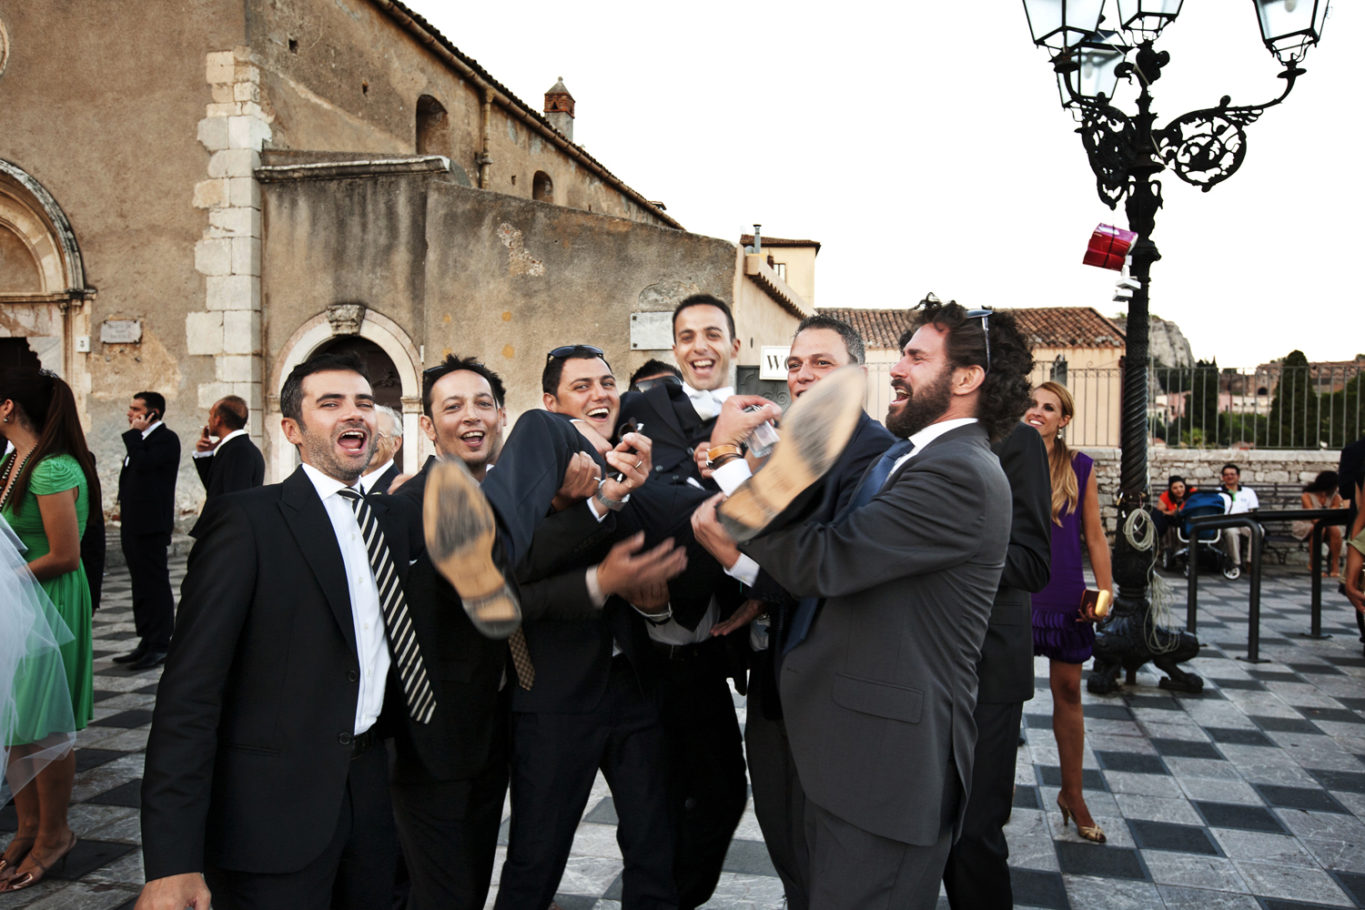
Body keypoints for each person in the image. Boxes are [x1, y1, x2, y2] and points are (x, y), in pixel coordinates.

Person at [694, 297, 1033, 909]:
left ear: (966, 378)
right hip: (848, 756)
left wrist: (726, 467)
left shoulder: (958, 472)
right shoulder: (919, 456)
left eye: (915, 357)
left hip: (885, 770)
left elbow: (823, 560)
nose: (896, 367)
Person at [390, 353, 681, 910]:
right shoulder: (419, 501)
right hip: (501, 712)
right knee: (518, 863)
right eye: (453, 406)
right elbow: (504, 590)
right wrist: (580, 514)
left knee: (654, 847)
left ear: (501, 415)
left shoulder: (604, 465)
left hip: (617, 690)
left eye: (483, 404)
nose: (472, 416)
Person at [137, 354, 421, 910]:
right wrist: (172, 862)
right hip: (270, 820)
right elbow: (189, 694)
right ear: (291, 429)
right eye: (330, 403)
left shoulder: (394, 521)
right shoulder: (246, 521)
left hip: (375, 807)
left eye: (365, 403)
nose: (354, 414)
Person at [693, 314, 894, 910]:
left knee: (824, 855)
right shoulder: (796, 449)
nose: (803, 376)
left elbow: (820, 568)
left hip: (835, 688)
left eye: (822, 364)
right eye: (797, 364)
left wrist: (739, 558)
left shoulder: (875, 456)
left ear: (856, 377)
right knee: (784, 835)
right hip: (777, 678)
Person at [494, 347, 691, 910]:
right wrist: (587, 504)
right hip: (554, 695)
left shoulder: (639, 465)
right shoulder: (534, 473)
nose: (600, 394)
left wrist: (656, 609)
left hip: (635, 689)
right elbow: (510, 575)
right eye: (581, 386)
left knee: (655, 849)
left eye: (607, 382)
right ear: (552, 404)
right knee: (536, 858)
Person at [618, 296, 751, 909]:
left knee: (724, 794)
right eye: (687, 335)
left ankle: (681, 897)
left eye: (713, 334)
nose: (700, 346)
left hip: (710, 649)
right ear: (674, 348)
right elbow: (658, 507)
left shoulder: (766, 423)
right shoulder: (639, 407)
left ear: (735, 346)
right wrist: (720, 457)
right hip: (645, 651)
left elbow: (779, 525)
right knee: (655, 805)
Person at [942, 420, 1052, 909]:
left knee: (973, 836)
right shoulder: (904, 438)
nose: (902, 368)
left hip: (989, 668)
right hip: (918, 665)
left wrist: (936, 545)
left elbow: (1031, 562)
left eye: (919, 355)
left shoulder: (1015, 439)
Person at [0, 368, 98, 892]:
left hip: (49, 603)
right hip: (16, 604)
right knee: (16, 720)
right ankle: (27, 827)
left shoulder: (51, 469)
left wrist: (6, 580)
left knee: (48, 724)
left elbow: (64, 555)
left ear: (7, 407)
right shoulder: (10, 461)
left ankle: (55, 833)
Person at [1024, 380, 1112, 844]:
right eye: (1031, 404)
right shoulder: (1004, 457)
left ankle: (1073, 794)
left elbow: (1094, 535)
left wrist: (1106, 588)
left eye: (1048, 407)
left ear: (1064, 419)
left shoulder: (1079, 466)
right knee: (997, 694)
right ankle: (981, 796)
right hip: (1016, 593)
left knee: (1069, 692)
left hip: (1063, 594)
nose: (1037, 412)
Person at [114, 390, 180, 671]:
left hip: (151, 525)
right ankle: (146, 640)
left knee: (154, 584)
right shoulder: (142, 441)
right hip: (133, 523)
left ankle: (160, 644)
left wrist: (134, 436)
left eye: (135, 409)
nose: (130, 413)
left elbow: (144, 466)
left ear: (152, 413)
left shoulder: (165, 439)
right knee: (140, 584)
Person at [191, 395, 264, 503]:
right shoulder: (234, 448)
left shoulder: (239, 451)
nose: (208, 419)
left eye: (211, 414)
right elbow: (215, 490)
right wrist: (205, 454)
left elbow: (234, 503)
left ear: (218, 420)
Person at [1294, 470, 1345, 578]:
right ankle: (1314, 564)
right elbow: (1312, 517)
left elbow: (1334, 513)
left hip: (1327, 524)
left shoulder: (1335, 497)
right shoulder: (1307, 496)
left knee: (1334, 529)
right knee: (1319, 529)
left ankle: (1334, 565)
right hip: (1306, 524)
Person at [1218, 463, 1260, 573]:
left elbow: (1253, 510)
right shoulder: (1218, 492)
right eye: (1226, 475)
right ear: (1223, 477)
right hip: (1227, 523)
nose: (1229, 477)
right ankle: (1236, 563)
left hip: (1245, 522)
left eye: (1232, 474)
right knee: (1231, 533)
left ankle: (1251, 562)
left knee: (1257, 531)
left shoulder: (1248, 492)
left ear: (1238, 476)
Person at [360, 404, 403, 494]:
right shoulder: (344, 485)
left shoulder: (401, 491)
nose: (368, 442)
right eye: (363, 434)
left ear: (395, 444)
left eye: (377, 436)